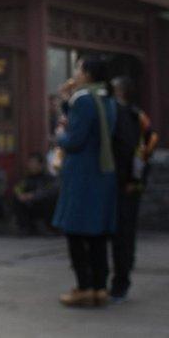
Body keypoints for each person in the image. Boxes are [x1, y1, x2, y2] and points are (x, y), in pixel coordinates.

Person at [52, 56, 118, 308]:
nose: (76, 73)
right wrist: (67, 101)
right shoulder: (106, 98)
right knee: (98, 235)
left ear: (88, 73)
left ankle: (83, 287)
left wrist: (60, 137)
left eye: (79, 68)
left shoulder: (84, 100)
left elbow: (76, 139)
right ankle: (100, 288)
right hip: (103, 174)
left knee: (75, 233)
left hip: (81, 175)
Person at [109, 75, 158, 302]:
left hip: (127, 184)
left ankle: (122, 281)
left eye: (115, 89)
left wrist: (137, 171)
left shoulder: (135, 116)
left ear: (122, 92)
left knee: (123, 235)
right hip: (118, 182)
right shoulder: (114, 115)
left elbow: (150, 142)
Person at [12, 154, 58, 236]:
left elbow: (49, 191)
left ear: (40, 165)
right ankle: (25, 228)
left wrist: (33, 195)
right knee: (16, 199)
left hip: (42, 204)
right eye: (30, 163)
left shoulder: (48, 178)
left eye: (33, 163)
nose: (31, 165)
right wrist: (20, 195)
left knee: (50, 199)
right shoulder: (27, 178)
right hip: (29, 204)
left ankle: (49, 228)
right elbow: (18, 188)